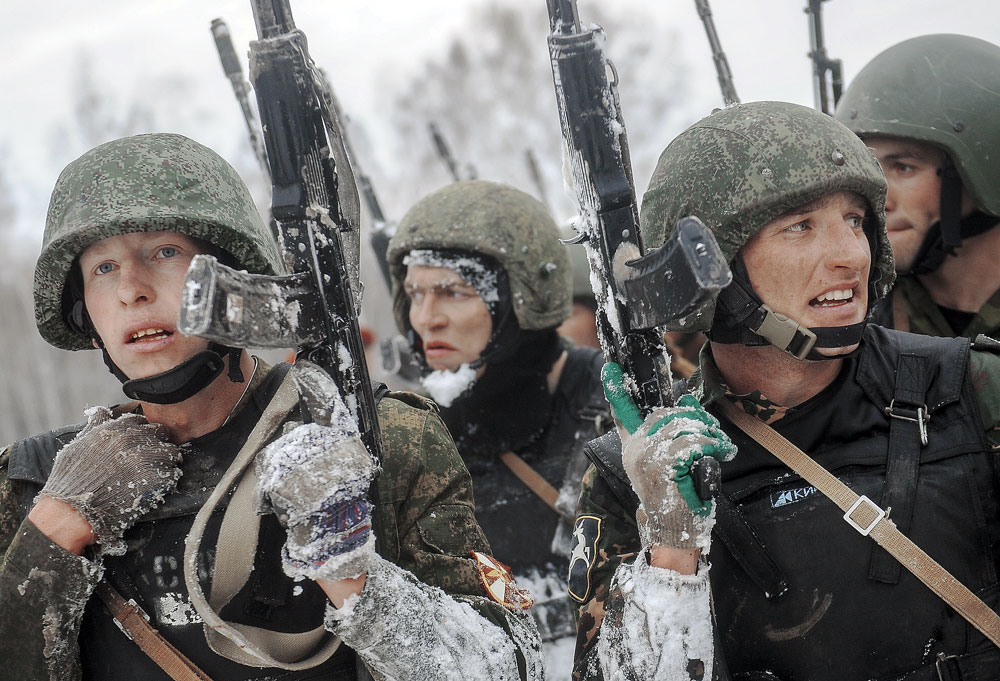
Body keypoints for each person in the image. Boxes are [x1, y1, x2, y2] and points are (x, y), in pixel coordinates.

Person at [0, 133, 543, 681]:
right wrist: (53, 535)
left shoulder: (381, 439)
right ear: (85, 319)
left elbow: (508, 668)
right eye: (103, 269)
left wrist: (356, 579)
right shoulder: (34, 484)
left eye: (164, 252)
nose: (131, 290)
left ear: (236, 279)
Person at [570, 101, 1000, 681]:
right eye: (800, 226)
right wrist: (671, 546)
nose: (851, 254)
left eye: (855, 221)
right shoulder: (636, 475)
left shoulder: (971, 390)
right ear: (711, 268)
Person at [386, 180, 611, 673]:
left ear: (522, 296)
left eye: (453, 292)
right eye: (414, 294)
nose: (427, 319)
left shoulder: (614, 398)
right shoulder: (410, 433)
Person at [835, 34, 1000, 338]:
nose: (877, 199)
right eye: (867, 168)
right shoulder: (849, 315)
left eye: (904, 167)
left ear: (984, 172)